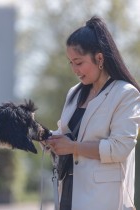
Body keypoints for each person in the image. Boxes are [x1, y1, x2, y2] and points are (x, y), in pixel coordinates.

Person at [46, 16, 140, 210]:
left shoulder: (126, 94)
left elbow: (120, 148)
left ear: (99, 58)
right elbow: (65, 134)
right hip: (69, 193)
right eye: (70, 63)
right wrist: (44, 137)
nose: (74, 70)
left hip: (105, 199)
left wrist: (73, 147)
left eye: (78, 62)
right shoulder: (74, 93)